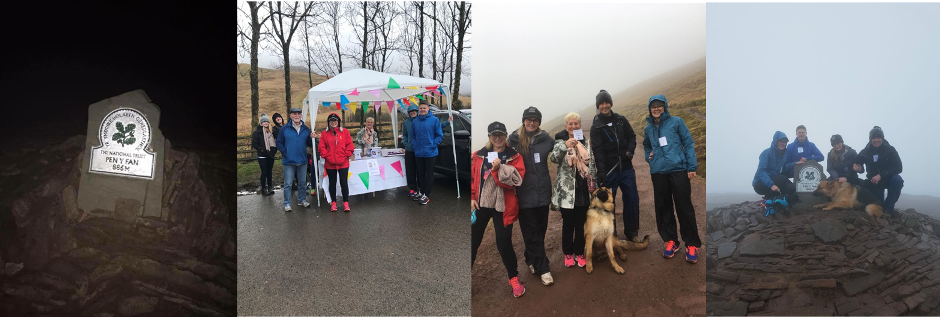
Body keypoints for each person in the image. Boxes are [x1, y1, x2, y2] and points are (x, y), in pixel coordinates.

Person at [641, 95, 701, 263]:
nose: (656, 109)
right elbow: (646, 145)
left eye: (659, 106)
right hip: (658, 171)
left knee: (684, 206)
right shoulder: (648, 129)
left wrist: (692, 166)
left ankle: (691, 244)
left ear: (665, 107)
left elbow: (688, 143)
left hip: (678, 169)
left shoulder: (676, 122)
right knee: (663, 206)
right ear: (649, 109)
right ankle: (671, 241)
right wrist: (649, 156)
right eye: (653, 106)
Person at [471, 121, 526, 298]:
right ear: (489, 137)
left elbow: (514, 181)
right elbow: (472, 178)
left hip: (504, 206)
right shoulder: (478, 155)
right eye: (494, 135)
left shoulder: (514, 156)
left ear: (506, 135)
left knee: (504, 243)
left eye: (501, 134)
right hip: (482, 204)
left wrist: (498, 169)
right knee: (473, 242)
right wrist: (472, 197)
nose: (498, 138)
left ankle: (514, 278)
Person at [508, 106, 554, 286]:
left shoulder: (545, 139)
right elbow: (496, 149)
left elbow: (558, 146)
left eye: (535, 120)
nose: (532, 122)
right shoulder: (514, 140)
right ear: (523, 121)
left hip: (543, 193)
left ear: (539, 122)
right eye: (529, 119)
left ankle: (530, 258)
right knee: (531, 232)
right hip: (523, 193)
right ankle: (544, 268)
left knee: (540, 231)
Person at [590, 89, 640, 241]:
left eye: (607, 103)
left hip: (626, 168)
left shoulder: (621, 120)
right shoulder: (596, 126)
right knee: (608, 204)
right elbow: (597, 150)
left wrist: (629, 150)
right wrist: (602, 172)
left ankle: (632, 232)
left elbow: (631, 136)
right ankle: (612, 234)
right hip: (609, 171)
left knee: (632, 199)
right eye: (601, 103)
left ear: (611, 104)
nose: (604, 106)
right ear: (598, 106)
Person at [549, 112, 595, 268]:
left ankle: (579, 252)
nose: (574, 126)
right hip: (567, 192)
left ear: (580, 126)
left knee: (581, 223)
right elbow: (553, 158)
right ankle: (568, 254)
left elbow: (592, 164)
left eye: (576, 124)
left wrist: (593, 184)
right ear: (566, 126)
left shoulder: (586, 142)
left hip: (582, 190)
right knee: (568, 223)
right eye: (571, 124)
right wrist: (564, 146)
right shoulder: (560, 141)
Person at [854, 126, 903, 216]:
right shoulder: (865, 151)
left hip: (888, 179)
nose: (876, 140)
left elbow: (898, 167)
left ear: (882, 138)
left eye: (878, 137)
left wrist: (881, 175)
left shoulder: (890, 150)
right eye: (873, 138)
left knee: (897, 180)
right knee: (877, 206)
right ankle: (880, 212)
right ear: (870, 139)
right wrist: (859, 169)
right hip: (873, 182)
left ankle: (888, 210)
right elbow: (858, 165)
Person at [276, 108, 316, 212]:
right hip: (288, 161)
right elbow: (279, 142)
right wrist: (285, 153)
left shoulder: (306, 129)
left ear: (301, 115)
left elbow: (309, 144)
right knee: (288, 184)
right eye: (294, 114)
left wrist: (313, 138)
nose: (296, 116)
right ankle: (287, 203)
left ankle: (302, 200)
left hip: (302, 160)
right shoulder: (284, 129)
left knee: (302, 182)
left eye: (298, 114)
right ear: (290, 115)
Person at [409, 100, 443, 205]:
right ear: (419, 110)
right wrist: (415, 145)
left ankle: (426, 195)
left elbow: (439, 135)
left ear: (428, 109)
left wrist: (433, 144)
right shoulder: (415, 122)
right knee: (420, 174)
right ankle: (421, 192)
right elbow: (412, 136)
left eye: (424, 108)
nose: (422, 110)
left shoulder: (434, 120)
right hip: (419, 152)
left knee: (429, 174)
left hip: (431, 152)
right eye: (421, 108)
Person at [319, 113, 354, 212]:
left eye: (335, 120)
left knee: (344, 182)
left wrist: (345, 156)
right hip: (330, 163)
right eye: (331, 121)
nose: (333, 122)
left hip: (343, 163)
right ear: (329, 122)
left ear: (338, 122)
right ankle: (334, 202)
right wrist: (328, 156)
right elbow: (321, 147)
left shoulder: (345, 132)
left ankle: (346, 202)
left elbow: (350, 146)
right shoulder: (324, 133)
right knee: (332, 183)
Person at [752, 131, 799, 204]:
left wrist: (796, 163)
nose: (783, 143)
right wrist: (771, 185)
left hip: (774, 180)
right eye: (780, 141)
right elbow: (761, 171)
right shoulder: (766, 153)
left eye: (785, 141)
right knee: (782, 178)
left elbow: (784, 168)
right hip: (760, 184)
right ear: (775, 141)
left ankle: (777, 201)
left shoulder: (782, 155)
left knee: (791, 189)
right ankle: (767, 200)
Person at [252, 113, 277, 196]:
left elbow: (275, 142)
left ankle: (270, 187)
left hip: (270, 155)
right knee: (264, 172)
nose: (266, 123)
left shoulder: (271, 131)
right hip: (262, 155)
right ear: (261, 123)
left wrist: (274, 151)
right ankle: (263, 188)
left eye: (267, 121)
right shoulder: (257, 132)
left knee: (269, 171)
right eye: (264, 122)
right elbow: (254, 143)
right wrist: (261, 149)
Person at [400, 105, 420, 197]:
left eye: (414, 111)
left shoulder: (420, 120)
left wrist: (447, 122)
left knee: (420, 170)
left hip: (419, 150)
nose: (412, 113)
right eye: (411, 112)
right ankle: (412, 188)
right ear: (408, 113)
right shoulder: (406, 122)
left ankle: (420, 188)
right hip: (409, 149)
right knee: (410, 170)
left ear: (417, 112)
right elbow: (404, 134)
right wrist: (405, 143)